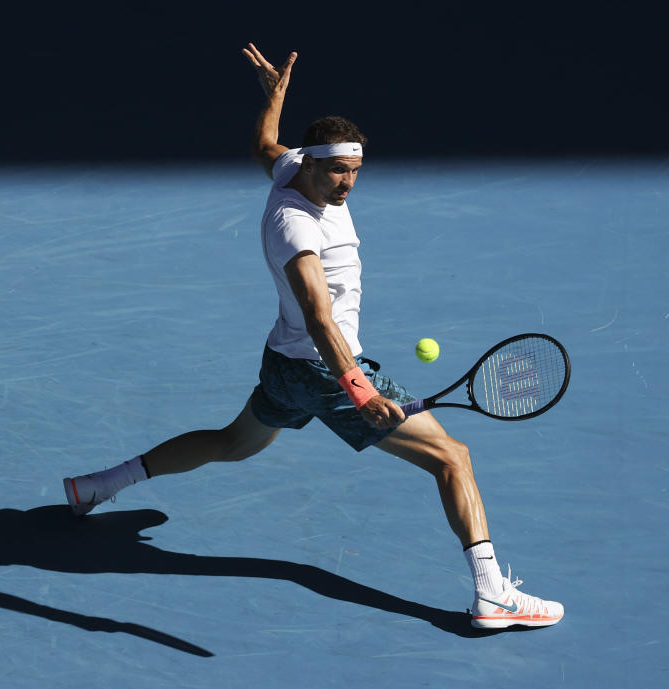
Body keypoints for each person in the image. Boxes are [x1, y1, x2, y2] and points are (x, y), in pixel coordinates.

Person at [63, 43, 563, 630]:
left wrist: (273, 96)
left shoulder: (292, 168)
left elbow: (262, 146)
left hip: (284, 363)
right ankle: (492, 594)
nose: (348, 183)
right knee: (454, 459)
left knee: (233, 443)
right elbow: (320, 317)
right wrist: (359, 391)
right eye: (337, 171)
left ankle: (96, 486)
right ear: (312, 166)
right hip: (328, 370)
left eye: (355, 170)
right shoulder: (295, 225)